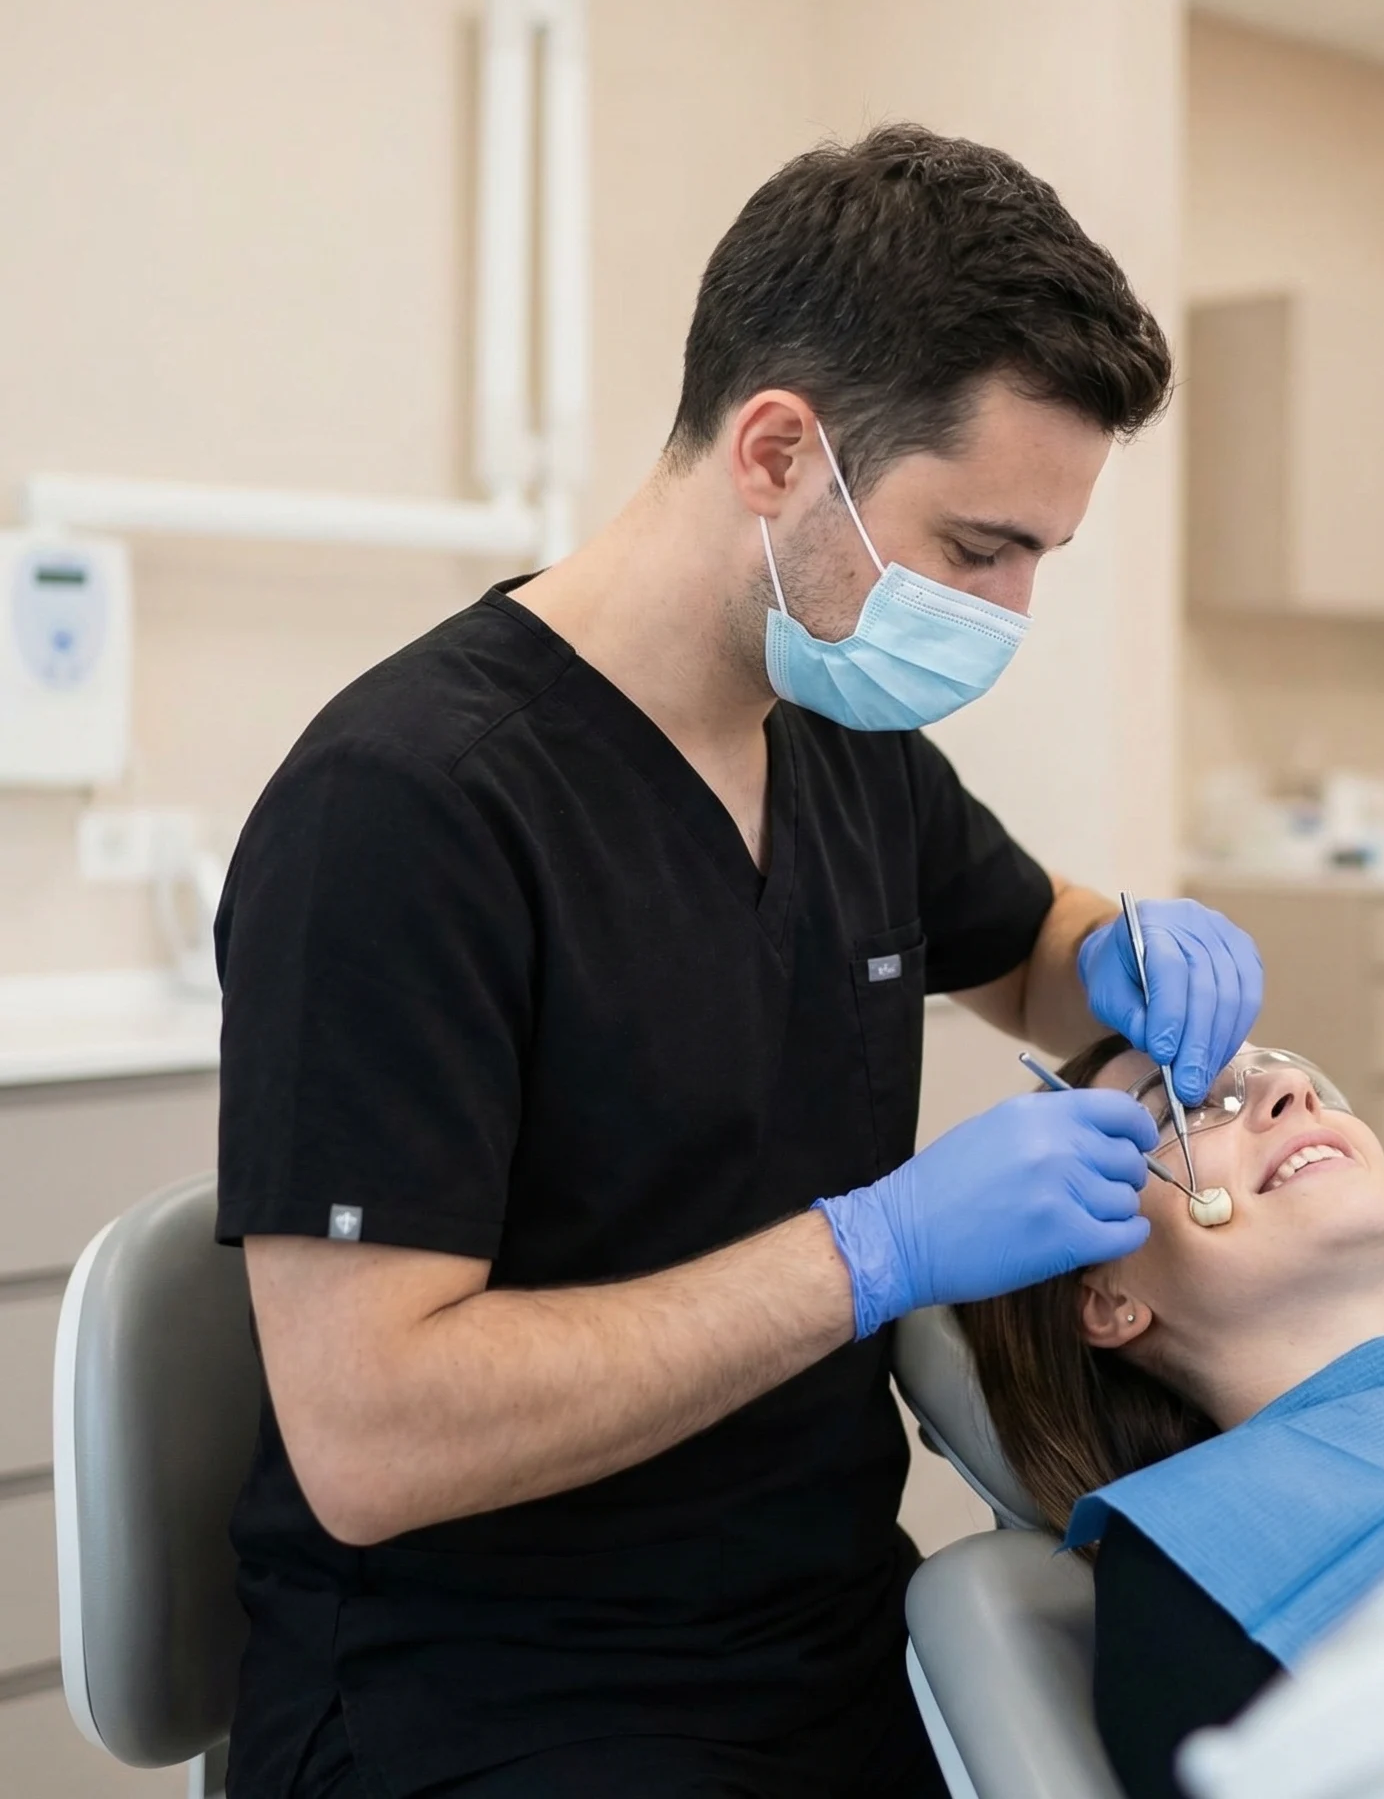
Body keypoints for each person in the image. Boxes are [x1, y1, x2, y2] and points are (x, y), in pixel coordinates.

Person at [213, 124, 1268, 1798]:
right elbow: (372, 1434)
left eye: (1036, 560)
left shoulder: (843, 745)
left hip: (818, 1637)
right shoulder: (406, 807)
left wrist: (1133, 952)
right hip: (493, 1692)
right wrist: (870, 1251)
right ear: (777, 448)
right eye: (976, 546)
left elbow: (1036, 953)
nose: (1005, 610)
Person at [958, 1035, 1384, 1799]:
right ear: (1108, 1300)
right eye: (1185, 1108)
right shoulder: (1191, 1564)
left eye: (1285, 1069)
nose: (1291, 1088)